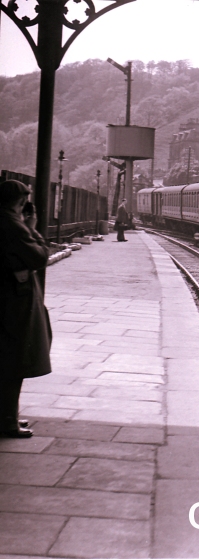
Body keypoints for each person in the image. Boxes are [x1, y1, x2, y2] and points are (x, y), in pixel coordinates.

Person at [0, 180, 52, 438]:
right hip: (14, 302)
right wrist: (32, 230)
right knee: (14, 361)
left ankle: (7, 417)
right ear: (21, 202)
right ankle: (8, 421)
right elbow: (40, 257)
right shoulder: (13, 225)